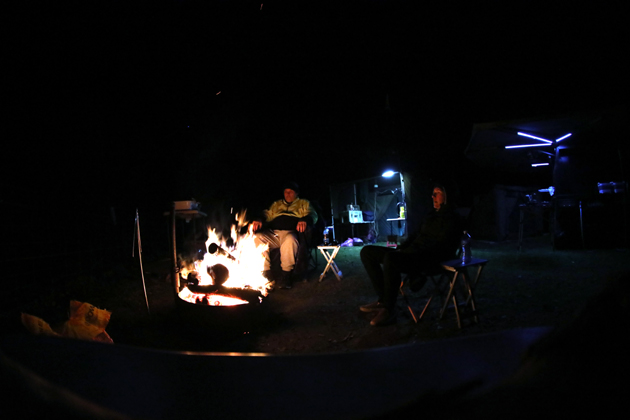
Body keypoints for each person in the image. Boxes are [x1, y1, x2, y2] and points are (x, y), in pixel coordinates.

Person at [359, 184, 462, 326]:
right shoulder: (430, 215)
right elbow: (415, 236)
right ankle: (383, 300)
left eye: (437, 193)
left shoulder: (453, 219)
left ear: (447, 196)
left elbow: (442, 248)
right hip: (411, 252)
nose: (432, 196)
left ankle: (389, 309)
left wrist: (412, 252)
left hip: (426, 259)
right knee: (367, 252)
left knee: (391, 258)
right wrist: (402, 247)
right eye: (433, 193)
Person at [252, 182, 318, 289]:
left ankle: (286, 275)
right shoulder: (277, 204)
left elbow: (313, 215)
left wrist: (305, 219)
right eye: (286, 192)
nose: (288, 194)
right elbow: (267, 214)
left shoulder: (303, 203)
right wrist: (259, 219)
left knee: (290, 240)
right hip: (274, 233)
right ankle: (266, 273)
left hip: (290, 232)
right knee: (257, 237)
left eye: (291, 192)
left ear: (296, 193)